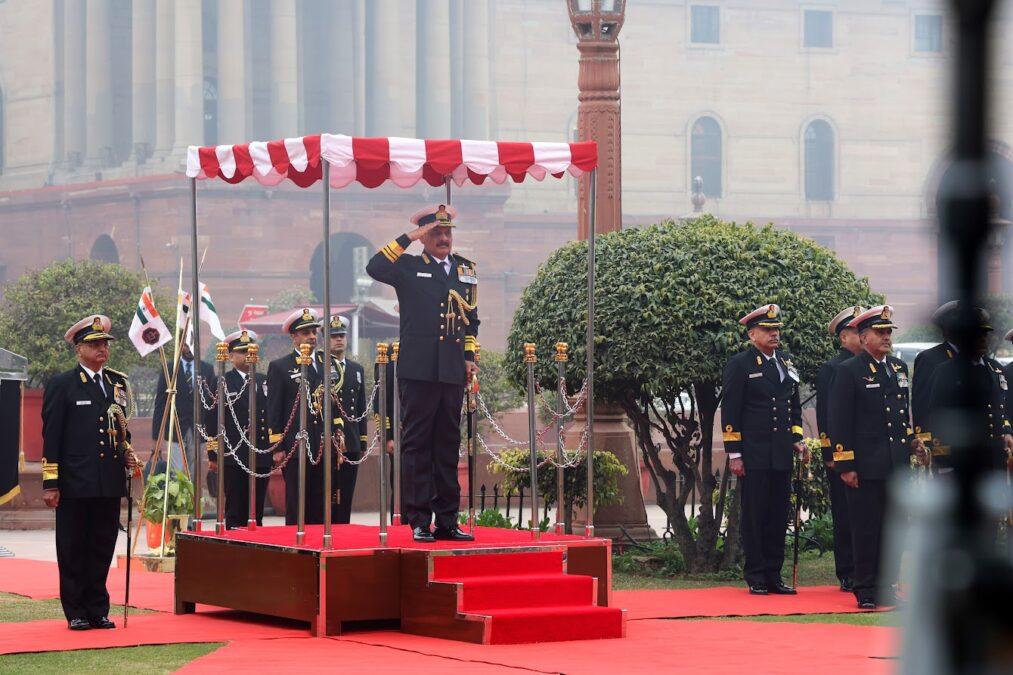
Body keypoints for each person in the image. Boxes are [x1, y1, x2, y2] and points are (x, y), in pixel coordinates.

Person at [366, 204, 478, 543]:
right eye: (435, 233)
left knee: (447, 444)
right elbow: (375, 266)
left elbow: (471, 318)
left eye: (447, 233)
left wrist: (469, 357)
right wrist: (408, 237)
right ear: (423, 237)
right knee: (416, 444)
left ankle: (447, 520)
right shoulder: (409, 267)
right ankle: (418, 519)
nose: (444, 238)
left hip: (452, 369)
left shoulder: (465, 268)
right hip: (418, 369)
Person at [42, 315, 139, 630]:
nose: (102, 349)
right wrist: (51, 483)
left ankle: (98, 609)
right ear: (78, 348)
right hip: (74, 482)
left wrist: (127, 452)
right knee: (73, 547)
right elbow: (52, 436)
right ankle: (77, 611)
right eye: (94, 344)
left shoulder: (116, 383)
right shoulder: (62, 385)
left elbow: (121, 427)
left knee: (101, 545)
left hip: (107, 481)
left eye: (104, 344)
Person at [829, 305, 927, 610]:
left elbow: (899, 417)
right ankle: (866, 588)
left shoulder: (897, 368)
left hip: (895, 464)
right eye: (880, 332)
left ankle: (887, 584)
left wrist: (913, 442)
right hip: (865, 466)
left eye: (888, 332)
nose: (886, 337)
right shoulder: (849, 371)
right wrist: (845, 464)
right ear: (863, 336)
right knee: (866, 528)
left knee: (892, 528)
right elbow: (839, 421)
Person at [721, 303, 805, 595]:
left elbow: (793, 405)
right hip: (754, 453)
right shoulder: (741, 364)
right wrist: (735, 453)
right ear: (752, 334)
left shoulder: (786, 362)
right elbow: (731, 410)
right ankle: (756, 574)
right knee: (755, 514)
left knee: (777, 514)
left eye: (776, 330)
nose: (773, 335)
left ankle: (774, 574)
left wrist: (796, 436)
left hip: (781, 452)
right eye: (767, 330)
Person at [266, 308, 338, 525]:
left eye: (314, 332)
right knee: (297, 502)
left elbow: (333, 405)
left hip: (323, 444)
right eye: (306, 332)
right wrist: (277, 447)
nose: (312, 337)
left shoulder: (327, 364)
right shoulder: (280, 367)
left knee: (320, 502)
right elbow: (274, 408)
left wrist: (336, 438)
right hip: (295, 446)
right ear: (294, 336)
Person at [925, 308, 1012, 474]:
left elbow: (1000, 408)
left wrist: (1007, 433)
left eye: (984, 335)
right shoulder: (945, 372)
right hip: (961, 460)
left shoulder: (995, 369)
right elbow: (937, 417)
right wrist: (944, 462)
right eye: (976, 335)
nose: (982, 340)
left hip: (993, 458)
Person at [814, 305, 864, 592]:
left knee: (865, 515)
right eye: (857, 331)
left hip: (866, 453)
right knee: (845, 515)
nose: (863, 335)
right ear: (844, 337)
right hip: (842, 455)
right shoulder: (832, 368)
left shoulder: (870, 365)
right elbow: (825, 414)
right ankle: (847, 571)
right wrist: (830, 454)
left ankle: (866, 568)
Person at [207, 330, 270, 528]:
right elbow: (212, 421)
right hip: (233, 455)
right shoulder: (222, 381)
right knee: (235, 508)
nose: (247, 355)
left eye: (250, 351)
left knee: (257, 508)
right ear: (231, 356)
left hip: (260, 454)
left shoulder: (264, 379)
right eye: (242, 352)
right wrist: (213, 454)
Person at [320, 315, 368, 524]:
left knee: (346, 491)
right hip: (327, 440)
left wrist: (363, 440)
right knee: (327, 492)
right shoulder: (319, 368)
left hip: (350, 439)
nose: (339, 340)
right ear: (325, 340)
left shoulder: (356, 369)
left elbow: (360, 407)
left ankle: (344, 528)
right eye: (333, 336)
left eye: (341, 336)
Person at [150, 342, 216, 480]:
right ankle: (177, 502)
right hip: (175, 429)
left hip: (198, 430)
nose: (189, 349)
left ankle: (192, 501)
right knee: (177, 472)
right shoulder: (169, 368)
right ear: (179, 345)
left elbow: (211, 403)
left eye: (192, 345)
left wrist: (212, 433)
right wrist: (156, 435)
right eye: (186, 345)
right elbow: (161, 402)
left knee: (193, 472)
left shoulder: (207, 369)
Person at [911, 301, 959, 451]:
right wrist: (925, 443)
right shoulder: (930, 358)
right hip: (943, 443)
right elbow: (922, 403)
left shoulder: (979, 359)